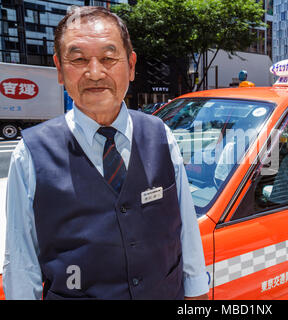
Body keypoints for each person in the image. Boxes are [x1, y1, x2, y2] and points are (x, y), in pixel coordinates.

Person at [2, 6, 209, 300]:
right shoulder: (30, 154)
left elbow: (185, 229)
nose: (95, 72)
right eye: (78, 59)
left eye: (109, 58)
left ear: (132, 65)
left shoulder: (160, 134)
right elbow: (21, 263)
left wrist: (198, 293)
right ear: (60, 69)